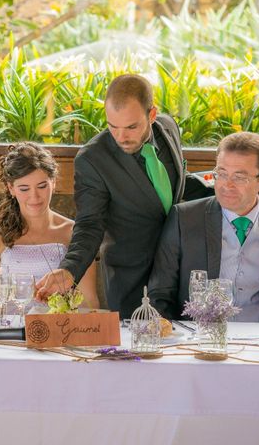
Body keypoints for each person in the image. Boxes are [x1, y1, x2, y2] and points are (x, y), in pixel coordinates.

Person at [35, 74, 211, 318]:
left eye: (131, 127)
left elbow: (174, 185)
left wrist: (226, 190)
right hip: (133, 279)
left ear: (151, 115)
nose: (121, 137)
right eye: (112, 126)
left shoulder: (169, 128)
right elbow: (89, 224)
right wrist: (69, 270)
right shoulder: (93, 160)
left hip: (182, 269)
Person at [148, 132, 259, 322]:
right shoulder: (184, 219)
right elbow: (159, 295)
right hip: (198, 340)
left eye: (239, 177)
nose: (226, 185)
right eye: (221, 173)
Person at [0, 142, 99, 309]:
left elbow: (89, 301)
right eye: (24, 188)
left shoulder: (75, 233)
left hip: (61, 331)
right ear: (10, 188)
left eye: (42, 186)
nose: (34, 197)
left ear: (54, 182)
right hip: (8, 334)